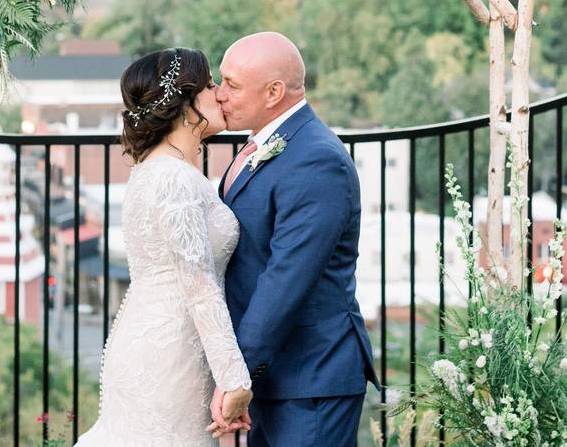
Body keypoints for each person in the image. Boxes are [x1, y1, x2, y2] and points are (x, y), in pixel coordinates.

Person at [74, 47, 252, 447]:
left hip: (162, 339)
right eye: (210, 85)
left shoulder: (157, 169)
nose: (220, 92)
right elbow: (199, 283)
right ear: (186, 104)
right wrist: (235, 379)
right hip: (168, 355)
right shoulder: (172, 178)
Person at [211, 32, 380, 446]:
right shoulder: (261, 146)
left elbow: (286, 279)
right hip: (276, 376)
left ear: (274, 92)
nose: (218, 94)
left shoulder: (316, 159)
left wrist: (239, 373)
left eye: (231, 84)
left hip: (311, 378)